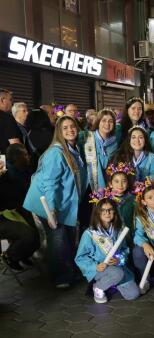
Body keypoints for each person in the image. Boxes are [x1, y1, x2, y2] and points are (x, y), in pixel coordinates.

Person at [24, 115, 88, 288]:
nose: (70, 130)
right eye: (65, 128)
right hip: (48, 203)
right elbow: (50, 184)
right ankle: (61, 278)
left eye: (72, 126)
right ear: (59, 132)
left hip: (63, 203)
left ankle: (67, 271)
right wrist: (51, 210)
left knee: (65, 238)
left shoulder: (75, 148)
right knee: (58, 239)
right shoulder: (56, 152)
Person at [75, 192, 140, 303]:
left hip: (118, 267)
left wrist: (119, 259)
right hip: (101, 269)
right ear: (97, 213)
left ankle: (111, 283)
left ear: (115, 212)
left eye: (110, 209)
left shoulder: (119, 230)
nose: (107, 213)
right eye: (103, 210)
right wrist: (95, 266)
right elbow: (80, 257)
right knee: (117, 274)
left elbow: (125, 249)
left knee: (133, 294)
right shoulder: (89, 233)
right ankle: (98, 287)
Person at [0, 143, 38, 271]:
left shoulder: (24, 169)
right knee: (29, 234)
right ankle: (10, 256)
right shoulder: (7, 174)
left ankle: (22, 254)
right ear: (17, 158)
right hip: (6, 213)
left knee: (38, 232)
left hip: (18, 208)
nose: (29, 157)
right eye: (25, 155)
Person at [80, 109, 119, 191]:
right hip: (89, 185)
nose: (107, 124)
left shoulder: (115, 142)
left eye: (110, 121)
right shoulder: (87, 138)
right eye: (103, 120)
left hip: (108, 184)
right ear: (98, 122)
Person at [105, 162, 136, 242]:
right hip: (111, 237)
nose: (120, 185)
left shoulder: (133, 199)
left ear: (128, 183)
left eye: (124, 181)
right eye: (116, 181)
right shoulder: (106, 200)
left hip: (129, 235)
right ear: (110, 184)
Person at [0, 88, 21, 154]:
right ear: (2, 100)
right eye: (10, 99)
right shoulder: (6, 118)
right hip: (6, 161)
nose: (12, 103)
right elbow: (15, 145)